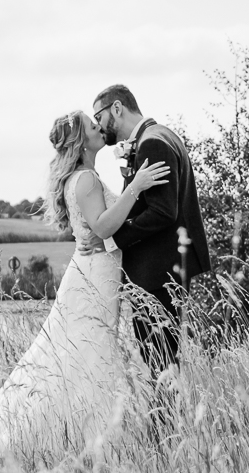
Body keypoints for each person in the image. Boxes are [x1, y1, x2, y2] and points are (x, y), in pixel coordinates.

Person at [0, 111, 169, 466]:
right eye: (92, 126)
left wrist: (126, 184)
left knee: (85, 356)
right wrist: (136, 187)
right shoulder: (85, 179)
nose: (99, 129)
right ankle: (89, 439)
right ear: (80, 141)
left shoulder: (85, 176)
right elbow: (103, 228)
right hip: (94, 276)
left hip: (95, 272)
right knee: (88, 355)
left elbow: (104, 221)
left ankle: (91, 436)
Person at [86, 84, 211, 373]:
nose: (98, 125)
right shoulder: (159, 135)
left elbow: (163, 211)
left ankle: (165, 420)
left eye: (99, 116)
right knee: (162, 364)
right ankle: (166, 419)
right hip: (163, 271)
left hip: (156, 275)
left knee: (160, 363)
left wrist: (115, 238)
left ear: (117, 108)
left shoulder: (151, 143)